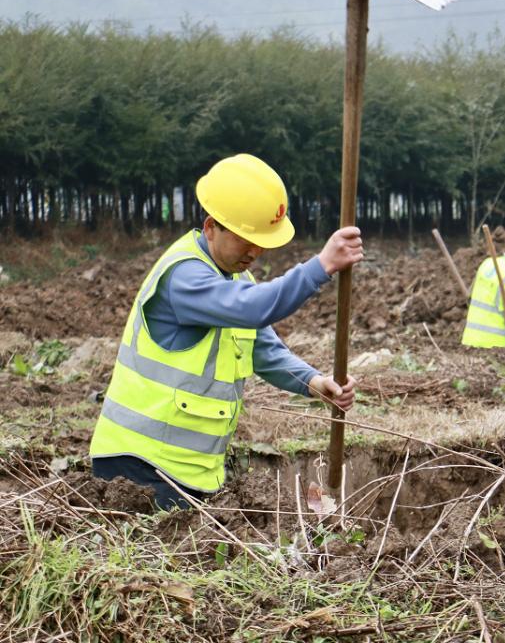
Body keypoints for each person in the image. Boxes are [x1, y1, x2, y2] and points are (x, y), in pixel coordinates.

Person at [89, 153, 365, 508]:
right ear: (210, 227)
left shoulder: (234, 278)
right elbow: (255, 307)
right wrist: (321, 266)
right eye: (244, 239)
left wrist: (313, 383)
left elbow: (264, 350)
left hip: (188, 473)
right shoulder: (185, 276)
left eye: (263, 241)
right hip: (140, 468)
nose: (255, 251)